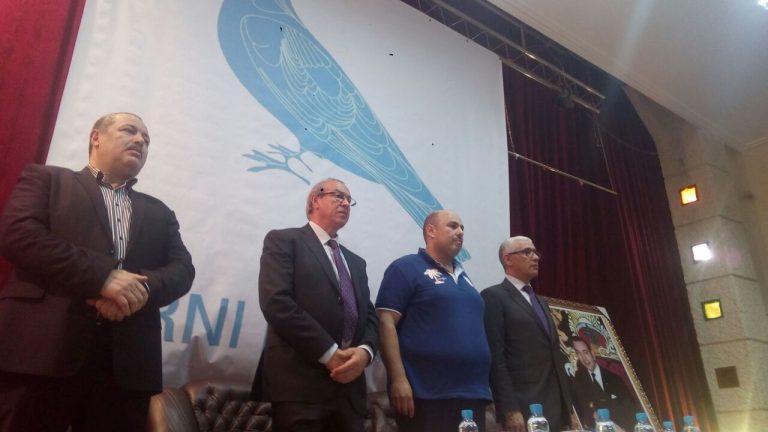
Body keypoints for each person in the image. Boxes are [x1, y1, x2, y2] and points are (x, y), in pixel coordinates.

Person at [0, 112, 195, 431]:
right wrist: (103, 278)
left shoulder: (159, 212)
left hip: (126, 369)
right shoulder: (47, 179)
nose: (140, 141)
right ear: (96, 138)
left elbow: (183, 269)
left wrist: (139, 290)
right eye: (129, 131)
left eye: (146, 139)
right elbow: (19, 235)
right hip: (40, 354)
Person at [251, 178, 379, 432]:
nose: (346, 203)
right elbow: (276, 302)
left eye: (349, 199)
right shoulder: (284, 241)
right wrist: (328, 352)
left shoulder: (356, 262)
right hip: (299, 385)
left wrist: (365, 352)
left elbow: (370, 317)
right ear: (315, 200)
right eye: (338, 196)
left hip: (349, 392)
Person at [376, 210, 491, 432]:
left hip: (472, 393)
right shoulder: (406, 267)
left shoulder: (465, 278)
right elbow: (385, 322)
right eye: (453, 226)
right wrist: (398, 379)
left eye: (462, 228)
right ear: (431, 231)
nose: (461, 232)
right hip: (426, 393)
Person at [482, 236, 574, 432]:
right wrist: (509, 409)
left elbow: (554, 355)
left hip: (556, 408)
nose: (535, 257)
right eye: (527, 252)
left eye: (535, 252)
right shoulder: (494, 297)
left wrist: (568, 408)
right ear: (508, 259)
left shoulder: (542, 302)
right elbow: (496, 358)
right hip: (523, 407)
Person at [570, 336, 637, 431]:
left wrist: (624, 429)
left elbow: (630, 407)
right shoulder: (578, 379)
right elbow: (583, 409)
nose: (584, 358)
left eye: (585, 352)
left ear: (593, 354)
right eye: (578, 353)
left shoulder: (614, 378)